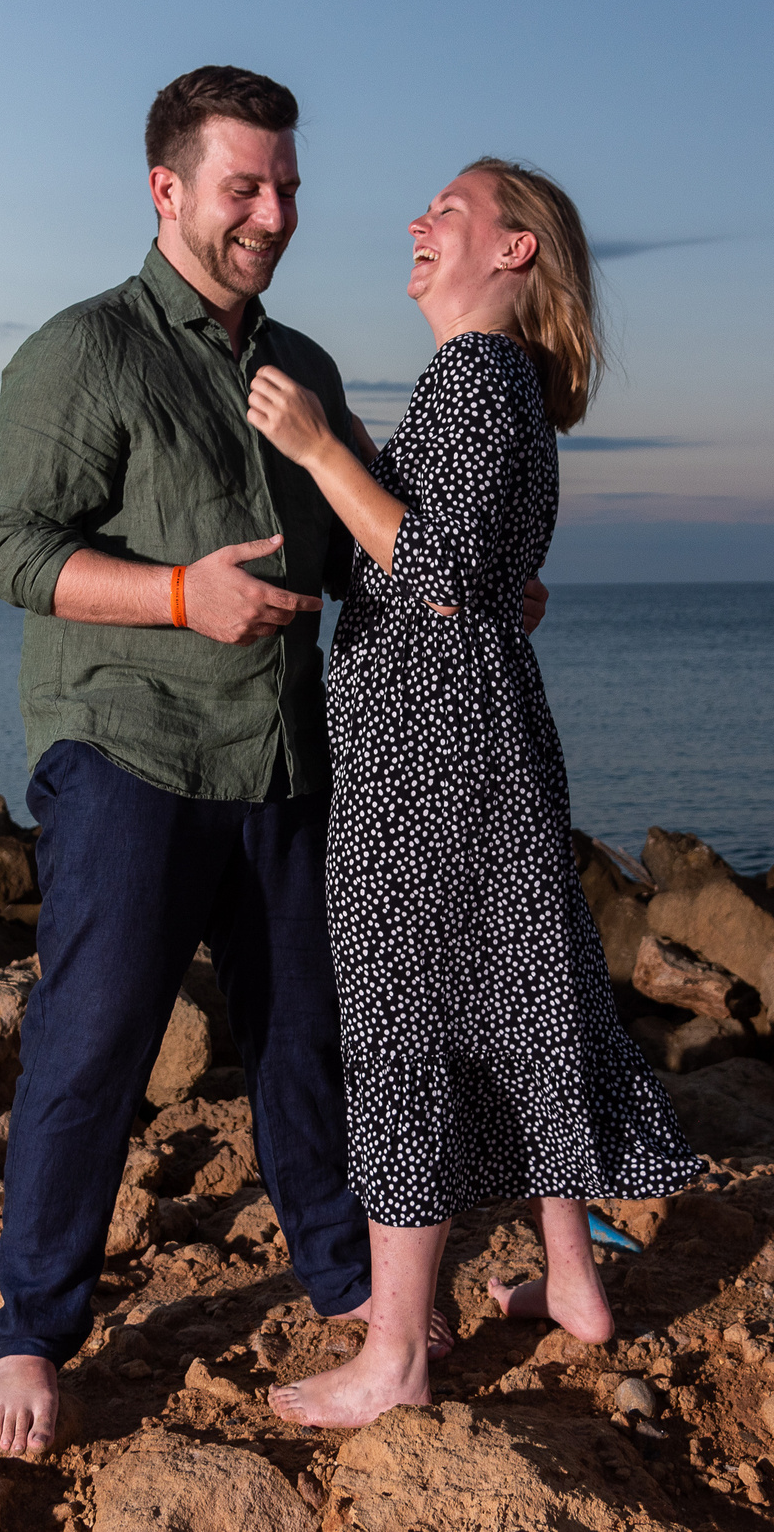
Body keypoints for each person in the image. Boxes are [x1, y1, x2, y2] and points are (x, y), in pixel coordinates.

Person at [0, 69, 545, 1456]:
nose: (273, 214)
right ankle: (32, 1327)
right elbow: (11, 552)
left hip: (288, 756)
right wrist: (180, 596)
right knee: (93, 1043)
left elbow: (360, 553)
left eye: (286, 187)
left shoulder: (309, 369)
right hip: (130, 753)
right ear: (166, 191)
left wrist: (482, 581)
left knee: (310, 1039)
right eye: (245, 188)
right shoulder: (83, 353)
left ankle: (346, 1276)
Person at [245, 157, 701, 1429]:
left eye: (448, 210)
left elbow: (431, 565)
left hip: (426, 755)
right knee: (508, 992)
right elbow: (469, 569)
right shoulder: (503, 392)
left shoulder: (474, 377)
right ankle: (570, 1278)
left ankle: (391, 1354)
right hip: (479, 735)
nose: (419, 222)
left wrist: (318, 442)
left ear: (514, 252)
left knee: (404, 1026)